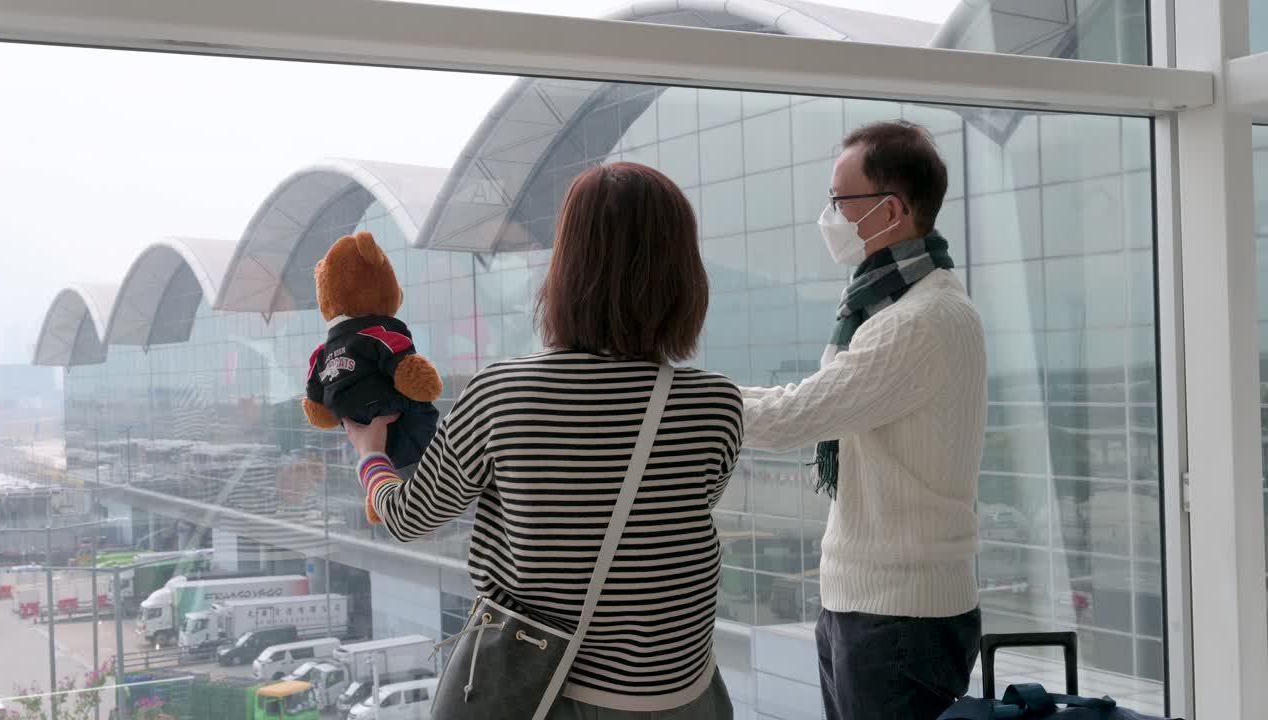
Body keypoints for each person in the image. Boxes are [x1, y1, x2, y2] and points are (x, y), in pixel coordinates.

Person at [343, 162, 742, 719]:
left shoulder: (502, 393)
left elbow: (409, 518)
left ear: (567, 270)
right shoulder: (717, 403)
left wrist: (370, 456)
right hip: (685, 694)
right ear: (684, 275)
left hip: (552, 695)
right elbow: (675, 510)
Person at [739, 121, 987, 720]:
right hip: (880, 604)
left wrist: (680, 396)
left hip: (898, 614)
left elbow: (798, 414)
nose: (829, 217)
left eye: (839, 201)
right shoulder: (893, 304)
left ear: (891, 210)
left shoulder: (916, 323)